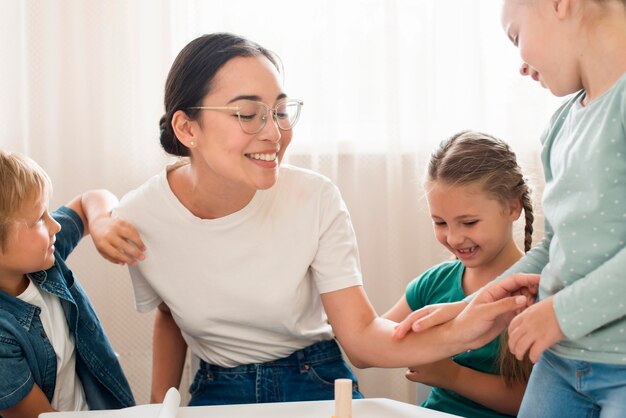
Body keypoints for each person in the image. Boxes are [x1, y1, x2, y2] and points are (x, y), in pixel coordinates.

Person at [111, 32, 540, 406]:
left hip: (314, 376)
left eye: (279, 111)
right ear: (187, 129)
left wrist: (464, 329)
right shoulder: (137, 217)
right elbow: (170, 311)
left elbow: (361, 339)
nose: (274, 133)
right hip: (217, 385)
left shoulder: (314, 197)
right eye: (248, 113)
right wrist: (158, 406)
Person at [395, 1, 626, 416]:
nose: (520, 65)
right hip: (559, 361)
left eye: (516, 36)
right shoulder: (561, 125)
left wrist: (561, 313)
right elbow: (554, 247)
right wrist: (470, 306)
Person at [384, 131, 533, 417]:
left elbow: (542, 401)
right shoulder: (434, 283)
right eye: (440, 222)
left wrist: (452, 377)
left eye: (469, 222)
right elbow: (373, 339)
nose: (453, 238)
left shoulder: (537, 290)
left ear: (513, 207)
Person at [0, 150, 143, 417]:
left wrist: (100, 222)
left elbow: (93, 198)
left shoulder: (44, 260)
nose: (54, 226)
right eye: (38, 219)